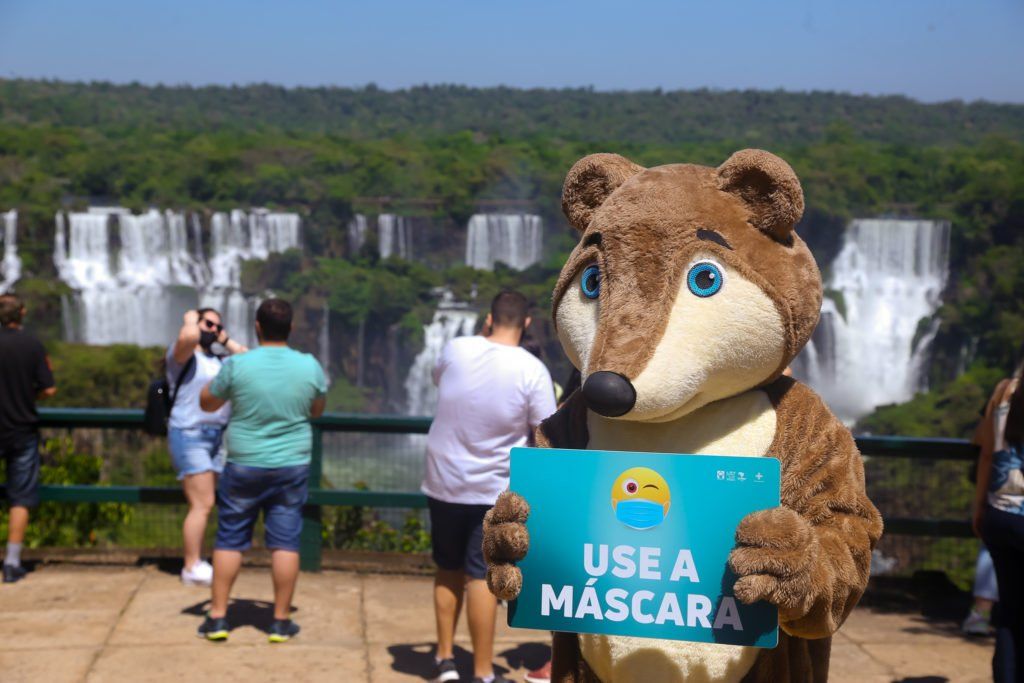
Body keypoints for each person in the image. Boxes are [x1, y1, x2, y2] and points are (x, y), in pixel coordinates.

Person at [422, 291, 556, 683]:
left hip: (443, 480)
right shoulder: (532, 370)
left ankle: (444, 659)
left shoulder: (456, 349)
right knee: (480, 576)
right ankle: (482, 672)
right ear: (526, 323)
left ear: (488, 319)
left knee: (446, 569)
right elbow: (545, 432)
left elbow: (439, 380)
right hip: (492, 490)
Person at [196, 298, 326, 643]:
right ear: (291, 328)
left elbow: (207, 402)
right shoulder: (309, 366)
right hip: (292, 465)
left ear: (257, 327)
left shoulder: (239, 365)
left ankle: (218, 618)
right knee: (285, 543)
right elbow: (316, 410)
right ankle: (280, 621)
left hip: (244, 463)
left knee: (229, 539)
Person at [167, 308, 248, 586]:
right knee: (202, 503)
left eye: (218, 326)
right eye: (209, 323)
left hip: (217, 437)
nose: (213, 329)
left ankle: (199, 561)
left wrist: (225, 340)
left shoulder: (220, 360)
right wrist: (191, 318)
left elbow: (251, 361)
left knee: (208, 504)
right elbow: (189, 337)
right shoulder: (182, 356)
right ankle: (191, 566)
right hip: (190, 433)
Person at [0, 294, 57, 583]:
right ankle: (11, 562)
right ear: (22, 313)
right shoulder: (33, 345)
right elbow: (49, 389)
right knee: (20, 497)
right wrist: (27, 395)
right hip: (22, 428)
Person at [973, 365, 1024, 681]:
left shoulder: (1004, 390)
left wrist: (979, 507)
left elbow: (987, 455)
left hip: (1000, 516)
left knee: (1009, 614)